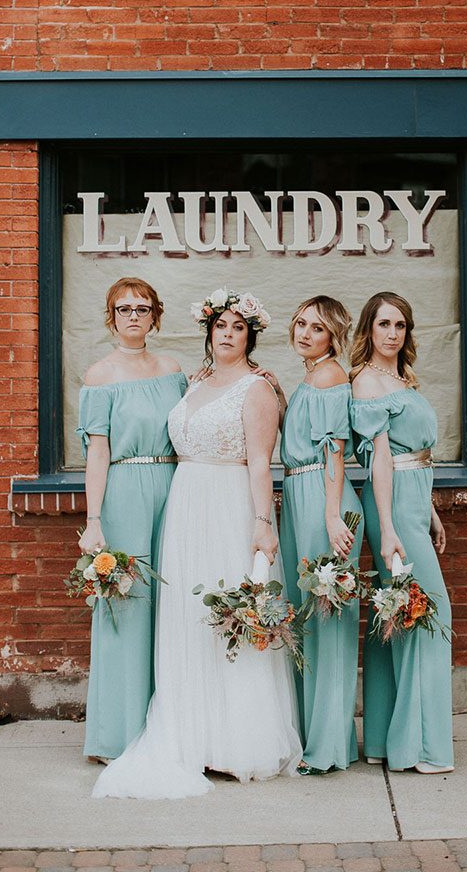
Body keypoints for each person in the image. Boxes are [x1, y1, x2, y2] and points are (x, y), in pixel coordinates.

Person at [93, 288, 302, 799]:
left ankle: (235, 741)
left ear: (250, 335)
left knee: (227, 616)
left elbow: (261, 461)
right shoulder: (194, 381)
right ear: (208, 331)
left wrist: (263, 522)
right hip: (184, 506)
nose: (227, 334)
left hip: (230, 506)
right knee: (186, 620)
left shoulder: (257, 388)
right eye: (220, 326)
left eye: (238, 327)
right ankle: (192, 734)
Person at [77, 277, 186, 764]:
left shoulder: (173, 370)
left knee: (171, 604)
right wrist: (94, 518)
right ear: (112, 317)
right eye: (124, 309)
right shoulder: (100, 375)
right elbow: (97, 451)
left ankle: (170, 727)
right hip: (124, 490)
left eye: (143, 308)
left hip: (174, 486)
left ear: (155, 316)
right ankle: (119, 733)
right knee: (127, 603)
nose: (134, 316)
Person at [350, 291, 454, 775]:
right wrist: (389, 527)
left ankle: (385, 740)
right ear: (369, 329)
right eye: (384, 324)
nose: (393, 333)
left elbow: (415, 457)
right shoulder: (367, 382)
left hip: (414, 500)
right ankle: (423, 746)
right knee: (427, 612)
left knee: (395, 616)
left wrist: (429, 510)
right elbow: (382, 461)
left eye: (401, 325)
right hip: (390, 505)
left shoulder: (403, 379)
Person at [279, 296, 362, 775]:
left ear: (333, 337)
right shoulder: (308, 378)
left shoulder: (330, 376)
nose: (305, 333)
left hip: (323, 500)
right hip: (298, 499)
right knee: (306, 618)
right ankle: (315, 737)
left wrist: (332, 517)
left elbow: (335, 453)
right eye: (301, 323)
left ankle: (328, 747)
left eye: (317, 328)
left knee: (328, 624)